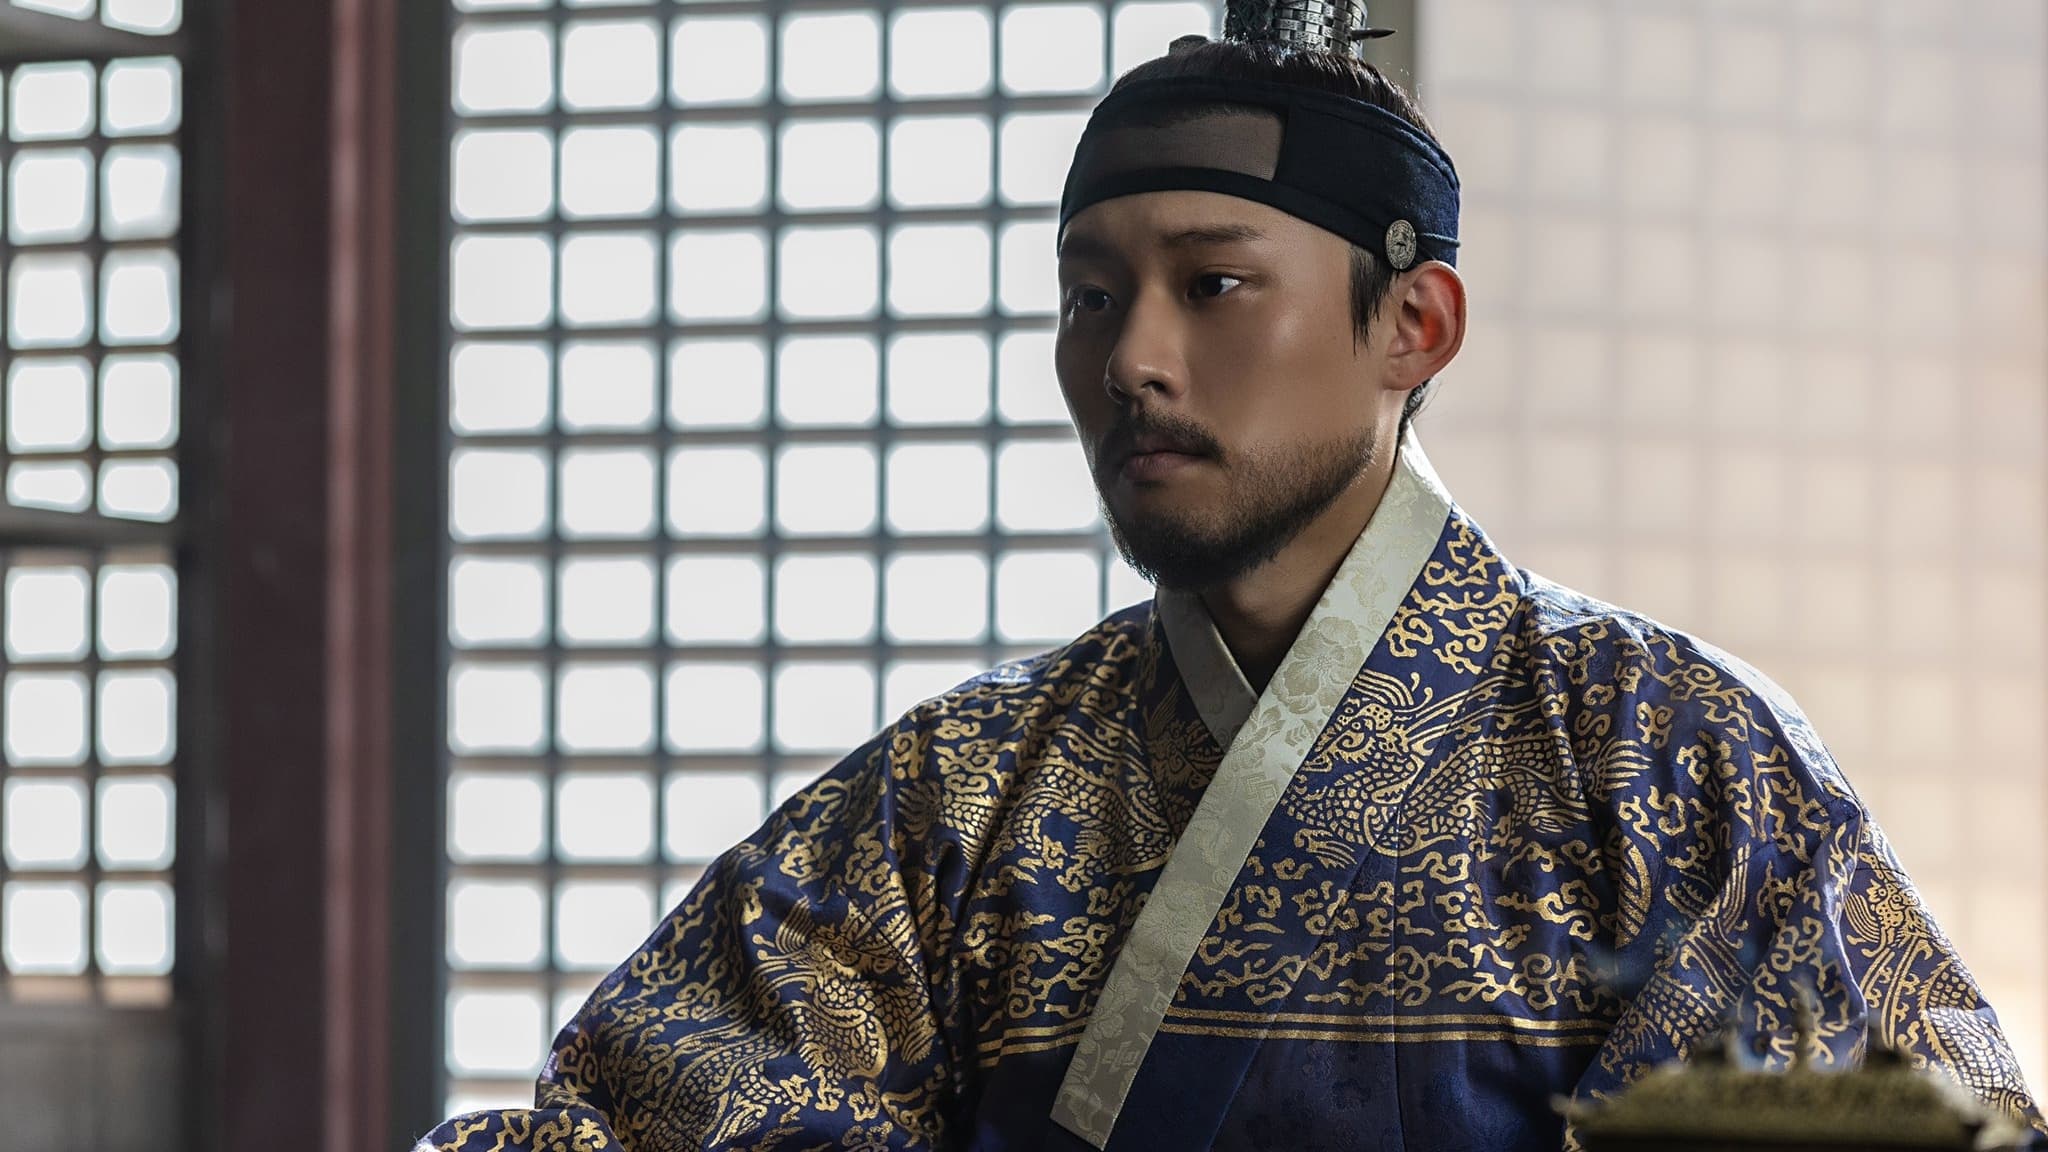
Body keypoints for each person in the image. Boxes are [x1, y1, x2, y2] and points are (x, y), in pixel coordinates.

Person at [420, 4, 2041, 1150]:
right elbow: (637, 1117)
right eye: (1090, 297)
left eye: (1212, 287)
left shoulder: (1663, 756)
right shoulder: (960, 796)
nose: (1132, 358)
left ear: (1414, 326)